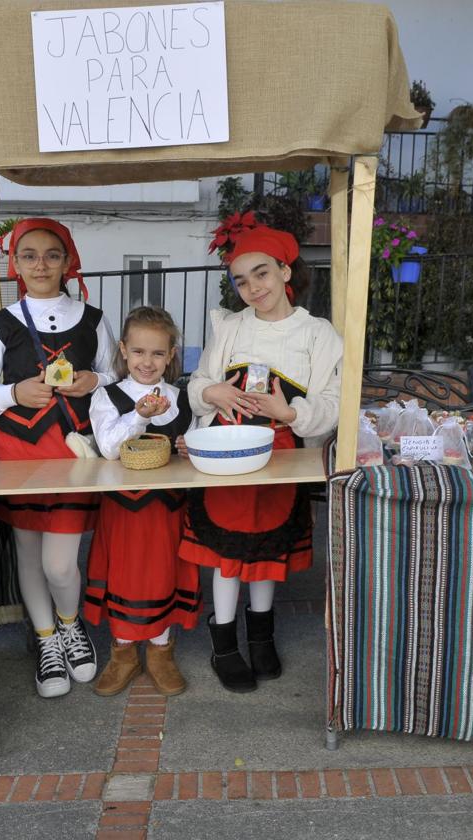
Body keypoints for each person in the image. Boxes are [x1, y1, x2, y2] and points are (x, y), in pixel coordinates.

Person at [180, 223, 343, 693]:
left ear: (285, 270)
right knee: (228, 552)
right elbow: (197, 384)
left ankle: (262, 634)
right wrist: (211, 390)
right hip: (225, 457)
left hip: (280, 456)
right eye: (242, 281)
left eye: (262, 274)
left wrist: (289, 411)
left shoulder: (318, 334)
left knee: (267, 549)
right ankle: (225, 642)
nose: (253, 288)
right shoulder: (230, 327)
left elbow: (331, 404)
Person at [0, 218, 117, 699]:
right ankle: (47, 638)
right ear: (16, 263)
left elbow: (115, 374)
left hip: (73, 455)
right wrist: (12, 391)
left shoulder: (93, 319)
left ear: (68, 261)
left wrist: (93, 381)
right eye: (29, 255)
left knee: (61, 565)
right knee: (28, 551)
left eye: (52, 254)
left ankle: (71, 625)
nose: (41, 264)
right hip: (18, 456)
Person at [84, 306, 200, 697]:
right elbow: (110, 449)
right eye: (138, 352)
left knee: (163, 574)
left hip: (167, 509)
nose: (146, 362)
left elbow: (195, 449)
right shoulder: (108, 396)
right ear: (123, 350)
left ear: (170, 356)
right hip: (123, 511)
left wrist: (189, 447)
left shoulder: (182, 399)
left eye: (156, 353)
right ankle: (123, 653)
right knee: (125, 576)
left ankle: (161, 651)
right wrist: (139, 416)